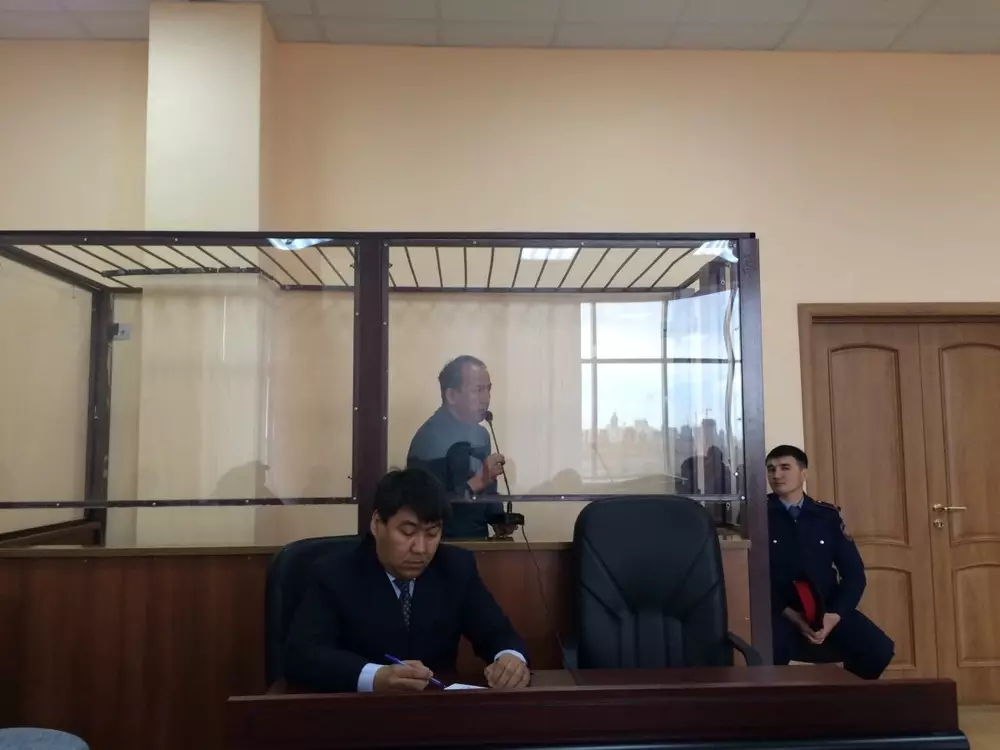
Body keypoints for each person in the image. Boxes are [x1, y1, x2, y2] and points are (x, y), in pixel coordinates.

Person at [283, 467, 530, 693]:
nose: (420, 548)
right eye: (407, 532)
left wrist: (510, 658)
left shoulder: (455, 568)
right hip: (357, 714)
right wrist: (375, 677)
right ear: (377, 524)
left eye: (432, 533)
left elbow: (496, 632)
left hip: (436, 712)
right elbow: (303, 655)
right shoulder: (334, 573)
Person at [766, 445, 894, 679]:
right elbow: (752, 577)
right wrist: (793, 616)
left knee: (879, 650)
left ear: (804, 473)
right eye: (771, 469)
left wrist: (834, 615)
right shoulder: (758, 515)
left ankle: (844, 697)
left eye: (785, 467)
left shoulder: (826, 516)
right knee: (766, 654)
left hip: (825, 607)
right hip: (780, 609)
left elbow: (854, 575)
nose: (777, 475)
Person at [407, 355, 506, 539]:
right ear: (452, 396)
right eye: (478, 390)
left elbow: (486, 489)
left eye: (488, 389)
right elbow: (427, 507)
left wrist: (499, 518)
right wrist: (477, 482)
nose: (486, 398)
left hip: (479, 543)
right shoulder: (431, 439)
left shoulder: (481, 435)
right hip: (440, 546)